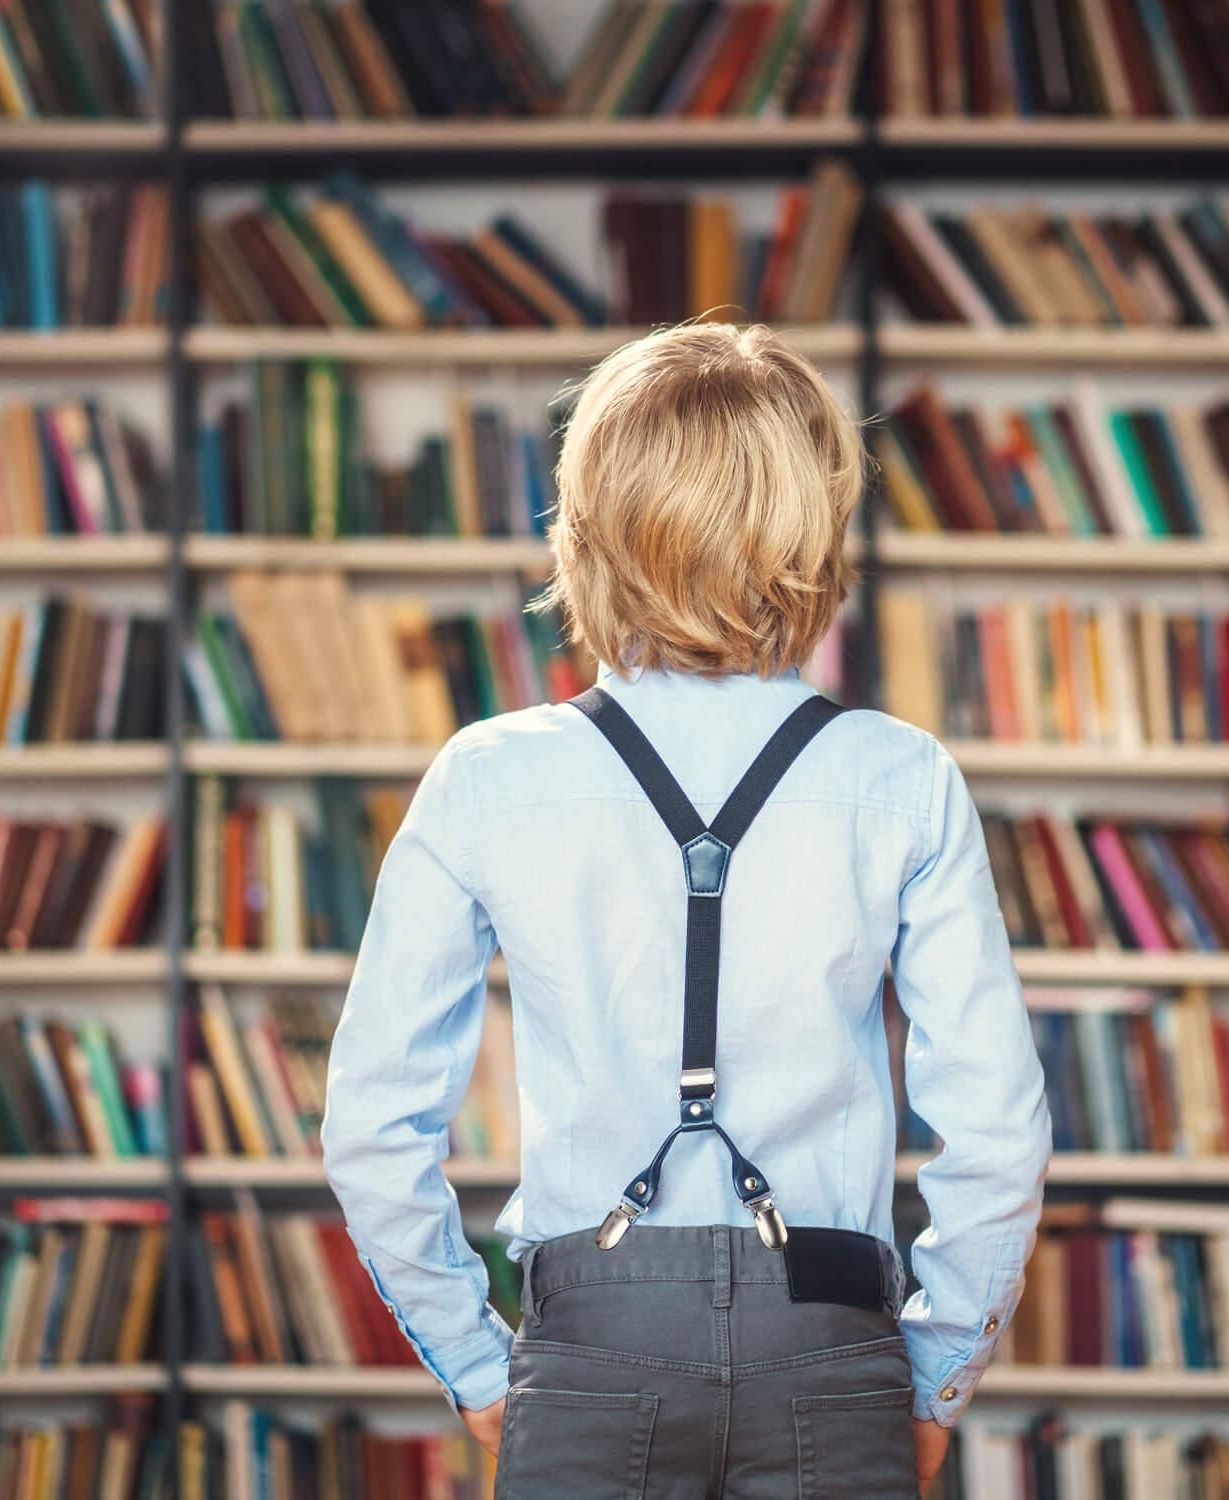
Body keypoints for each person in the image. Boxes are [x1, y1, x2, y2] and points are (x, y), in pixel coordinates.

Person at [322, 322, 1051, 1498]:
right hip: (835, 1351)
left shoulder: (488, 776)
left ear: (588, 522)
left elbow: (372, 1128)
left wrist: (473, 1366)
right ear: (815, 519)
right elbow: (999, 1137)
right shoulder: (899, 776)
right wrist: (934, 1375)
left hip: (588, 1351)